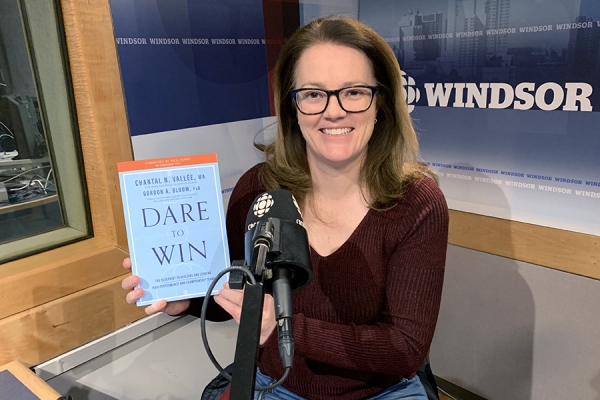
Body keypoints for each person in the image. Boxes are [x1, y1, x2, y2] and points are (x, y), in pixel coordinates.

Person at [122, 15, 448, 400]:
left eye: (354, 92)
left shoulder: (417, 203)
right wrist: (185, 299)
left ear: (382, 102)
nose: (334, 111)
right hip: (278, 387)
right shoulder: (257, 189)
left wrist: (283, 327)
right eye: (313, 94)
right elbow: (234, 297)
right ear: (292, 106)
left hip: (379, 393)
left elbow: (405, 348)